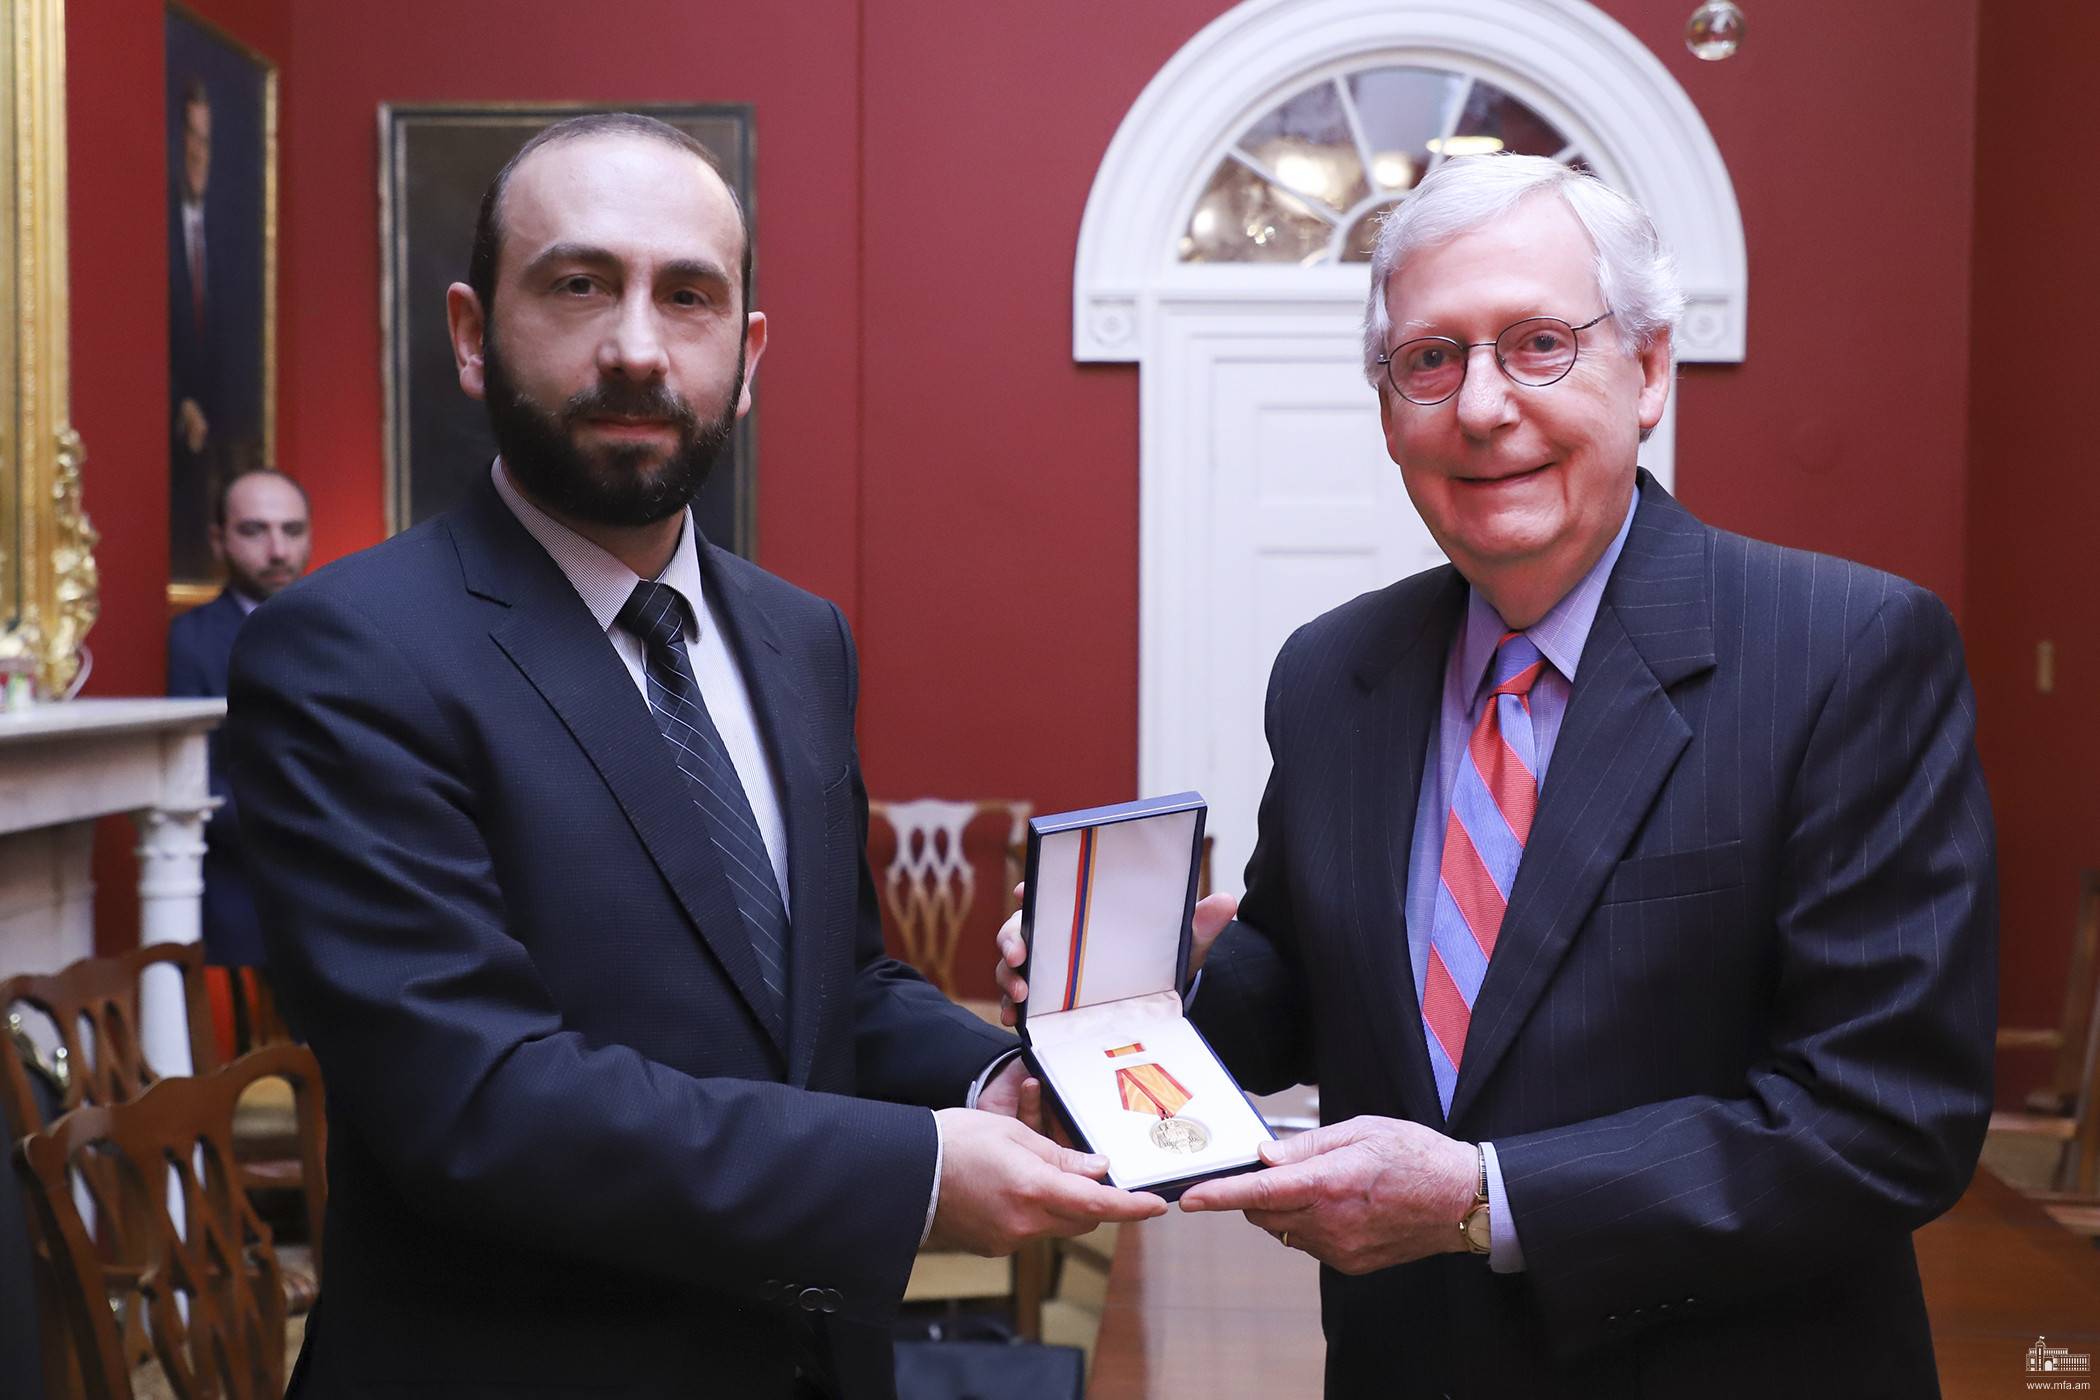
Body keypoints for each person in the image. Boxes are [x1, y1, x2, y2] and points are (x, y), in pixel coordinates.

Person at [999, 155, 1995, 1396]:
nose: (1480, 407)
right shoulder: (1332, 674)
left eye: (1536, 344)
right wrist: (1120, 995)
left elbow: (1888, 1119)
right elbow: (1305, 980)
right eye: (1431, 359)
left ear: (1649, 371)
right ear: (1386, 407)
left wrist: (1485, 1198)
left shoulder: (1844, 651)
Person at [228, 113, 1160, 1400]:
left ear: (748, 351)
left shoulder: (796, 636)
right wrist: (920, 1172)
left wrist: (1000, 1075)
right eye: (576, 284)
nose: (634, 345)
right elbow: (480, 1100)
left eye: (689, 295)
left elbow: (833, 984)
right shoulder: (347, 651)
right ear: (468, 331)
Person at [167, 467, 312, 977]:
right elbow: (192, 780)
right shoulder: (191, 642)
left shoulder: (340, 629)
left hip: (345, 897)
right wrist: (307, 826)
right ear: (218, 539)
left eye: (292, 531)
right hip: (243, 899)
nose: (277, 551)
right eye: (255, 530)